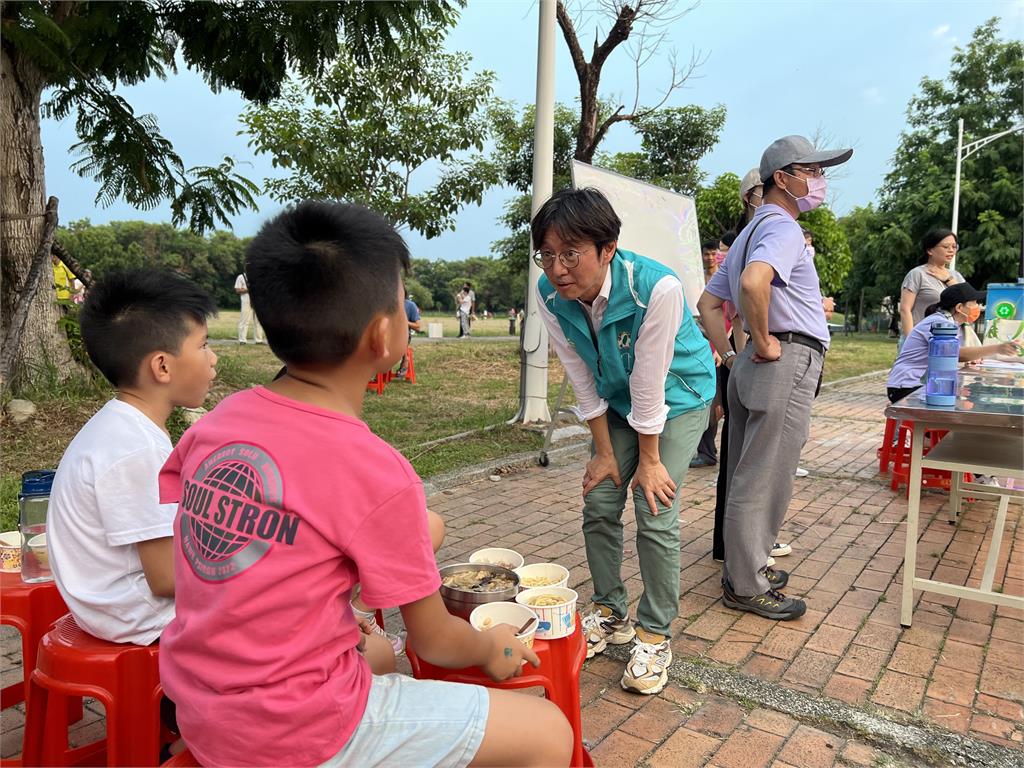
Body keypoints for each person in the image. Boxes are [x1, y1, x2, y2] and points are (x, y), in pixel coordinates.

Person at [157, 201, 572, 768]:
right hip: (296, 728)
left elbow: (255, 554)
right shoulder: (372, 468)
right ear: (382, 334)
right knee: (548, 733)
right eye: (403, 302)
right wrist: (492, 646)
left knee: (377, 656)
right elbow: (435, 642)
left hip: (201, 707)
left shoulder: (217, 425)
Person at [532, 188, 715, 695]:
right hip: (616, 398)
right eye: (547, 255)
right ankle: (610, 612)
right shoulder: (550, 296)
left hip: (678, 396)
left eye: (571, 253)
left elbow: (651, 382)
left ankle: (654, 632)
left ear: (607, 248)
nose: (558, 268)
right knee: (601, 496)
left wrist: (649, 460)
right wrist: (606, 453)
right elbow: (581, 375)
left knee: (652, 501)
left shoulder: (656, 289)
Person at [698, 135, 853, 621]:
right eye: (812, 170)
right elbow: (751, 284)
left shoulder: (749, 231)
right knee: (765, 476)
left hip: (752, 366)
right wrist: (764, 343)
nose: (819, 180)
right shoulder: (782, 227)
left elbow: (707, 303)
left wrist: (732, 356)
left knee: (749, 470)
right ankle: (746, 583)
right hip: (780, 359)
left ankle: (744, 568)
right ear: (783, 178)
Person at [48, 270, 218, 645]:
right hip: (141, 618)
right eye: (204, 345)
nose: (213, 358)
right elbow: (167, 580)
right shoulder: (136, 448)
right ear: (162, 366)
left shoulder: (123, 426)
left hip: (118, 607)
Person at [887, 282, 1019, 403]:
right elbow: (957, 353)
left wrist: (973, 356)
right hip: (907, 387)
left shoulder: (950, 323)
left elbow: (953, 353)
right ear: (960, 307)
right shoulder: (939, 323)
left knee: (966, 401)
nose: (977, 307)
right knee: (966, 406)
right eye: (973, 303)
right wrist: (998, 348)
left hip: (921, 384)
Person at [898, 229, 964, 349]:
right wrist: (911, 341)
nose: (951, 250)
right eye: (945, 246)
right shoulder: (917, 274)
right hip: (920, 341)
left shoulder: (956, 276)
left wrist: (949, 280)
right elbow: (905, 309)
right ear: (930, 250)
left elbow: (966, 304)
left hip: (948, 342)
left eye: (954, 247)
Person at [395, 287, 420, 380]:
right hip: (388, 335)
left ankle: (405, 359)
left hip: (403, 336)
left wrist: (404, 322)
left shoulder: (410, 305)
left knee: (400, 332)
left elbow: (418, 327)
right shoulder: (387, 305)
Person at [235, 272, 265, 344]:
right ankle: (242, 340)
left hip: (257, 300)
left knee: (258, 321)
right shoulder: (241, 277)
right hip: (246, 301)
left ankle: (259, 340)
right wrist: (249, 290)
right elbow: (237, 290)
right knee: (244, 320)